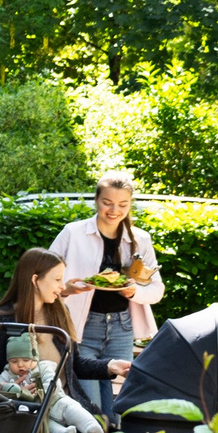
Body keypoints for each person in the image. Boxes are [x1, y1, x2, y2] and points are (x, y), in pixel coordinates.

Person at [0, 250, 125, 433]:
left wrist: (110, 366)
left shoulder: (60, 312)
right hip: (27, 413)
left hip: (68, 404)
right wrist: (14, 389)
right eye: (57, 279)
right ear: (35, 280)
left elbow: (74, 364)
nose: (63, 286)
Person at [49, 172, 166, 415]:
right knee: (89, 406)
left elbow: (156, 290)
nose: (114, 210)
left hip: (122, 329)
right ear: (96, 200)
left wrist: (133, 292)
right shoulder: (73, 232)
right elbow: (44, 277)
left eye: (122, 204)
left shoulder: (140, 239)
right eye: (107, 202)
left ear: (130, 205)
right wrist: (67, 290)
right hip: (82, 328)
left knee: (117, 407)